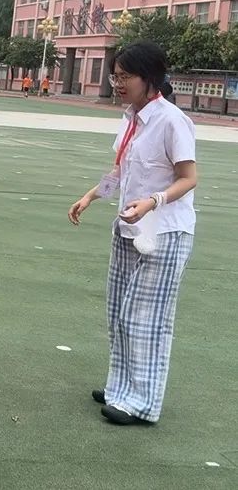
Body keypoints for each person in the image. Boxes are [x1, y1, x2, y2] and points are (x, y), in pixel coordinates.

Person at [68, 41, 197, 426]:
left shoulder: (172, 121)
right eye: (115, 77)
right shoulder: (131, 118)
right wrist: (91, 196)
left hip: (165, 231)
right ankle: (120, 389)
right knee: (119, 313)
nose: (119, 84)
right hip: (129, 228)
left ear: (150, 78)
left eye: (126, 77)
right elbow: (121, 171)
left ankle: (142, 403)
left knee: (145, 318)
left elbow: (188, 178)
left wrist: (153, 202)